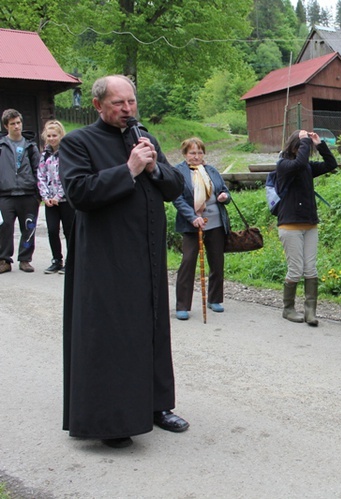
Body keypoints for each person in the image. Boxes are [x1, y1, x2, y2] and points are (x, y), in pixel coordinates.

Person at [59, 75, 188, 449]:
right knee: (114, 334)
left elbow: (174, 188)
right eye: (119, 104)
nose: (128, 110)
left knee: (151, 329)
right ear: (98, 105)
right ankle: (113, 419)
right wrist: (129, 169)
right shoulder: (77, 142)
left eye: (131, 102)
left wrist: (153, 168)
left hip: (146, 253)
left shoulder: (143, 137)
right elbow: (79, 192)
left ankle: (157, 406)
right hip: (106, 258)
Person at [275, 129, 337, 326]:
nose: (306, 149)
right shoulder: (283, 165)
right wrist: (303, 140)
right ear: (294, 146)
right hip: (290, 225)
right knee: (295, 270)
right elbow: (299, 163)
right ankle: (288, 309)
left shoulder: (306, 167)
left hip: (310, 224)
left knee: (311, 269)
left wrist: (319, 144)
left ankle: (310, 312)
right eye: (302, 145)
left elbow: (331, 164)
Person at [173, 138, 231, 320]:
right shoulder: (178, 172)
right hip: (192, 224)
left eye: (199, 153)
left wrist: (224, 196)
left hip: (215, 222)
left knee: (216, 261)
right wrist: (193, 218)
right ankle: (182, 305)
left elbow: (225, 191)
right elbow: (177, 198)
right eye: (192, 153)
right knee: (188, 261)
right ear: (185, 154)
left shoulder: (211, 170)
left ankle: (215, 299)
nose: (196, 156)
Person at [0, 108, 41, 274]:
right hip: (5, 194)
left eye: (18, 123)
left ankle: (25, 259)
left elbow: (39, 169)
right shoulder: (1, 146)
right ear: (5, 126)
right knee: (4, 228)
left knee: (28, 228)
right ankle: (4, 260)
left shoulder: (30, 146)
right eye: (12, 124)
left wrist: (38, 194)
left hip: (28, 194)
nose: (16, 126)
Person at [37, 120, 73, 274]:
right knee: (52, 230)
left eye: (54, 135)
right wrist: (45, 196)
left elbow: (68, 176)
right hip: (50, 201)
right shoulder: (44, 155)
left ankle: (71, 262)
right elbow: (41, 176)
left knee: (69, 231)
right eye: (49, 136)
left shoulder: (67, 154)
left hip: (65, 200)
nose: (52, 139)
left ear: (60, 136)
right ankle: (56, 259)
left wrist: (59, 196)